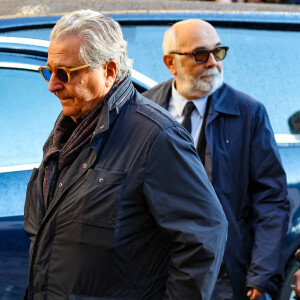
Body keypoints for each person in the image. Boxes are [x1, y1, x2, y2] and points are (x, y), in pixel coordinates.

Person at [23, 10, 228, 300]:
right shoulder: (66, 133)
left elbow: (205, 236)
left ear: (107, 71)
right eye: (48, 71)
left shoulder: (157, 137)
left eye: (64, 73)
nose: (52, 85)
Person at [143, 19, 290, 300]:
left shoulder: (249, 113)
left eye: (218, 52)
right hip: (158, 273)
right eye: (200, 55)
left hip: (223, 274)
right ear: (170, 63)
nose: (212, 63)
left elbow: (270, 199)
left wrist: (261, 273)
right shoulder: (145, 110)